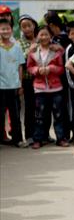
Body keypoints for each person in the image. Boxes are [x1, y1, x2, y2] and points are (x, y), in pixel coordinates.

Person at [27, 25, 68, 149]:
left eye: (46, 34)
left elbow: (61, 68)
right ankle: (38, 139)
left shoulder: (57, 51)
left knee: (58, 115)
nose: (44, 37)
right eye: (41, 34)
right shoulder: (33, 52)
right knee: (39, 115)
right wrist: (37, 70)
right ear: (37, 36)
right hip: (39, 88)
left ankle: (61, 138)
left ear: (51, 36)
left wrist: (51, 68)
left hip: (56, 88)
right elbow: (29, 67)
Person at [0, 18, 25, 147]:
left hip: (14, 85)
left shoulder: (17, 47)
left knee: (15, 115)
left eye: (7, 28)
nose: (5, 31)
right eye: (2, 29)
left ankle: (17, 139)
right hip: (1, 86)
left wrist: (20, 84)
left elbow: (20, 66)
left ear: (11, 30)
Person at [18, 14, 38, 146]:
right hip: (28, 79)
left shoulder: (41, 36)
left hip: (43, 79)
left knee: (41, 108)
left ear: (34, 25)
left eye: (29, 25)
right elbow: (19, 60)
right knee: (29, 108)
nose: (27, 29)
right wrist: (29, 52)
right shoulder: (19, 43)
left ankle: (42, 134)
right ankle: (30, 135)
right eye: (23, 27)